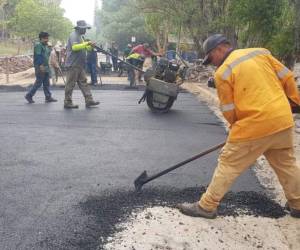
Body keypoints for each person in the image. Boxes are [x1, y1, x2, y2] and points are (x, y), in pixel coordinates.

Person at [177, 34, 300, 219]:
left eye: (211, 58)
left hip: (254, 125)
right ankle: (297, 204)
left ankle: (206, 206)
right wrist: (294, 102)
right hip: (282, 120)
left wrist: (237, 129)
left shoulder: (223, 72)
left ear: (219, 48)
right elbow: (287, 76)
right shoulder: (260, 53)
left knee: (228, 163)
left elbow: (228, 109)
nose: (212, 63)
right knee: (286, 165)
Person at [64, 20, 99, 109]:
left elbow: (83, 48)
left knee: (84, 83)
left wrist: (90, 46)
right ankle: (67, 102)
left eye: (86, 29)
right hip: (73, 64)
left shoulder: (80, 36)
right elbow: (75, 47)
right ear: (79, 28)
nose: (85, 30)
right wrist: (87, 43)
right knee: (70, 84)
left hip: (79, 65)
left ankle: (89, 100)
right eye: (84, 29)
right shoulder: (74, 35)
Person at [25, 32, 57, 103]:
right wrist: (40, 65)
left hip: (46, 66)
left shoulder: (45, 46)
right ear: (41, 38)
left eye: (47, 38)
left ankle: (48, 97)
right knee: (38, 82)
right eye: (45, 38)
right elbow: (38, 56)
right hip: (40, 66)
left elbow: (47, 55)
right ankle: (29, 95)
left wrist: (50, 48)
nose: (47, 40)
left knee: (46, 82)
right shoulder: (38, 45)